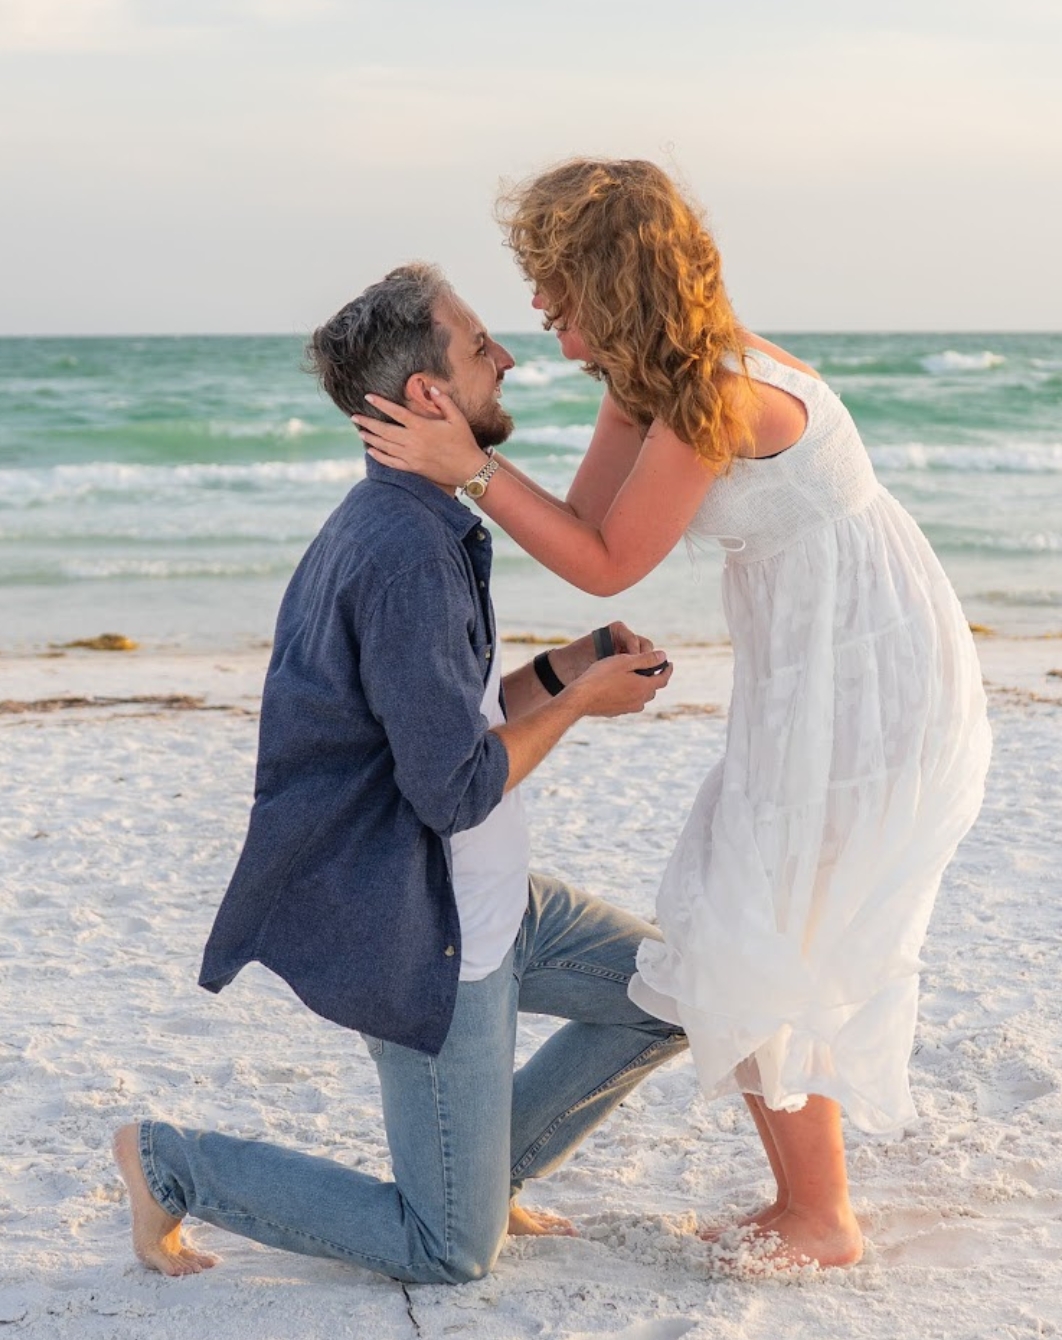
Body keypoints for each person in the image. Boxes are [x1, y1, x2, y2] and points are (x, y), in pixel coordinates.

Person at [356, 159, 992, 1268]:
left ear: (622, 281)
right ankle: (809, 1203)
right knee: (742, 911)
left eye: (562, 297)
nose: (549, 328)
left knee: (761, 916)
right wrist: (467, 467)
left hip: (871, 676)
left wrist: (468, 472)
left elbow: (607, 561)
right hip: (813, 669)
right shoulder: (650, 380)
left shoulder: (715, 396)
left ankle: (820, 1216)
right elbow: (588, 528)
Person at [113, 263, 689, 1283]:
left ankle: (480, 1167)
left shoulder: (420, 524)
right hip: (432, 933)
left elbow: (440, 723)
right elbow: (454, 786)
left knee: (681, 992)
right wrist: (581, 704)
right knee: (449, 1249)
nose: (507, 355)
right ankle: (172, 1164)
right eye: (479, 348)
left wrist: (564, 667)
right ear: (429, 397)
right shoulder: (406, 556)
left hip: (499, 903)